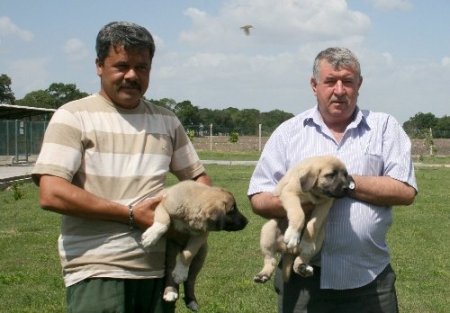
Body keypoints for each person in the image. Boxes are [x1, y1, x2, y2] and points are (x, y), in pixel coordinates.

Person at [32, 21, 211, 313]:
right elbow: (51, 193)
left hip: (158, 272)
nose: (132, 75)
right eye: (122, 65)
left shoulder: (166, 121)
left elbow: (199, 179)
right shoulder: (73, 116)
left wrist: (192, 218)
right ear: (99, 65)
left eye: (142, 68)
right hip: (98, 270)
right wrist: (131, 215)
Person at [248, 47, 417, 313]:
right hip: (304, 282)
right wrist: (304, 204)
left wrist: (344, 185)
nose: (339, 90)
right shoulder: (288, 132)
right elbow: (258, 197)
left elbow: (405, 191)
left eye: (348, 81)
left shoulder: (384, 128)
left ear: (359, 85)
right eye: (330, 81)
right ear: (314, 85)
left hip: (369, 280)